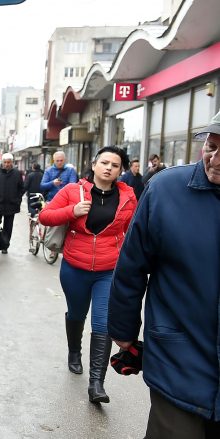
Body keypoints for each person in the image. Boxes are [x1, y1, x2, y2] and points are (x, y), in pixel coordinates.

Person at [108, 112, 220, 437]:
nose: (215, 160)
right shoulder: (165, 190)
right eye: (210, 147)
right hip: (178, 356)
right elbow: (131, 267)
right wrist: (124, 331)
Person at [38, 145, 136, 404]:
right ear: (93, 165)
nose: (108, 168)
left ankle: (96, 384)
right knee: (77, 314)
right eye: (104, 162)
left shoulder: (128, 197)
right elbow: (44, 216)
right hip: (75, 268)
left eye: (115, 165)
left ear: (120, 171)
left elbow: (133, 231)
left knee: (102, 323)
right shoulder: (72, 191)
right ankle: (73, 352)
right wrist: (72, 211)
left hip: (108, 270)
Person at [0, 153, 24, 254]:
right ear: (2, 163)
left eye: (9, 162)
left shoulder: (17, 173)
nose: (7, 164)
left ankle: (5, 245)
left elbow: (21, 188)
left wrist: (17, 199)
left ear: (12, 163)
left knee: (8, 227)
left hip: (11, 205)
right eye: (5, 162)